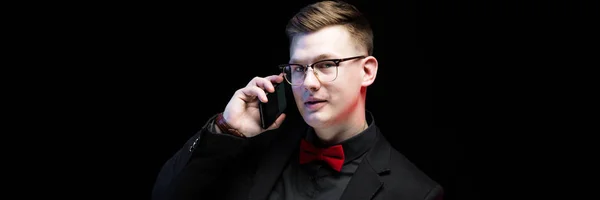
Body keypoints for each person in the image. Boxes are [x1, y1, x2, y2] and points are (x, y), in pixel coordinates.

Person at [151, 1, 443, 199]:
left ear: (367, 71)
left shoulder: (416, 192)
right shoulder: (256, 148)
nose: (309, 83)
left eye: (327, 64)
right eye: (299, 68)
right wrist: (226, 129)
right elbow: (165, 194)